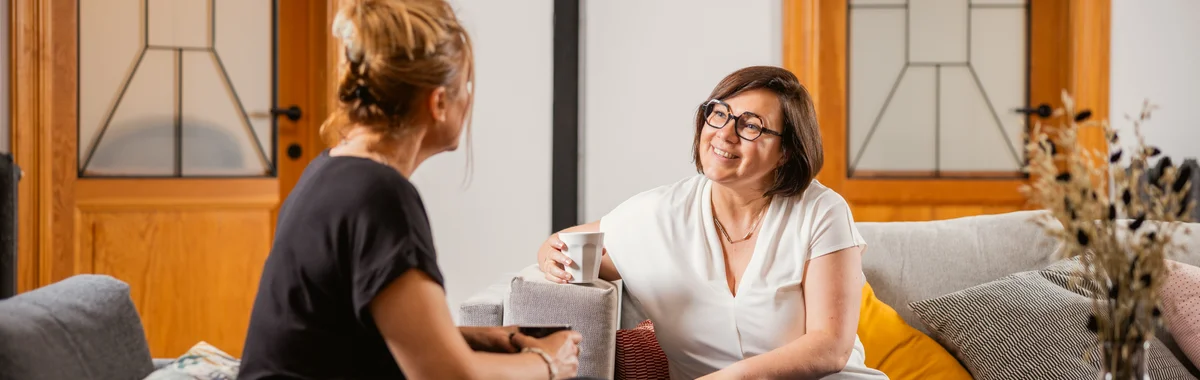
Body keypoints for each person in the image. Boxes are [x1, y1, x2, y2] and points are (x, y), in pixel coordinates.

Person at [239, 1, 584, 379]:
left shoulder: (330, 170)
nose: (469, 98)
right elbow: (445, 375)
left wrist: (482, 337)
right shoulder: (379, 196)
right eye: (464, 85)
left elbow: (357, 339)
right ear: (438, 102)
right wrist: (550, 363)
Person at [537, 66, 890, 380]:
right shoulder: (658, 214)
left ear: (785, 152)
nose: (725, 133)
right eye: (719, 114)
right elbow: (565, 247)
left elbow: (830, 348)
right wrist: (547, 254)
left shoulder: (822, 211)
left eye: (751, 125)